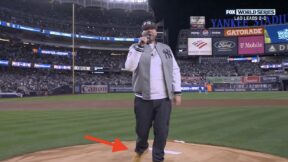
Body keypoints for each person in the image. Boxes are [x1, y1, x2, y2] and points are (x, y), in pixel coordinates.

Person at [125, 20, 182, 162]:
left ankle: (158, 158)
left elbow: (174, 70)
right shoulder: (134, 47)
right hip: (143, 99)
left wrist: (177, 91)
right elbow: (129, 67)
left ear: (157, 32)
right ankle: (141, 147)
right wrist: (140, 46)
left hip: (164, 99)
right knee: (142, 131)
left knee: (162, 131)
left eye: (152, 29)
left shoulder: (165, 48)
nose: (150, 31)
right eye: (146, 29)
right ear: (142, 32)